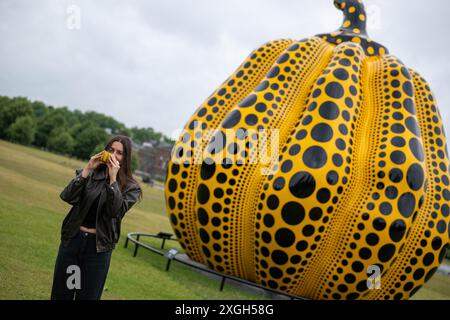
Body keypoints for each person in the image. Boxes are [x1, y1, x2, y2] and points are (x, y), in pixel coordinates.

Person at [51, 135, 142, 300]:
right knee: (61, 293)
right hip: (73, 240)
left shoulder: (131, 188)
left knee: (87, 296)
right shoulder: (91, 174)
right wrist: (87, 169)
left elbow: (115, 211)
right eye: (111, 150)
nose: (113, 155)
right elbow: (67, 196)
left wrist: (113, 179)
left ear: (126, 158)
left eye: (119, 153)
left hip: (98, 249)